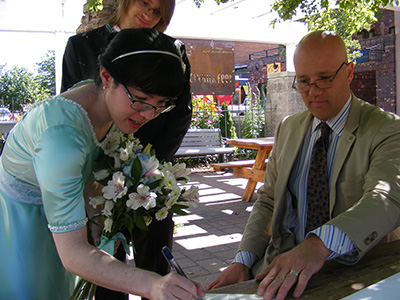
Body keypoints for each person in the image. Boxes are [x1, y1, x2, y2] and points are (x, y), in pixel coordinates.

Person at [0, 28, 204, 300]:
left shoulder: (99, 103)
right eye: (141, 101)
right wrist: (152, 285)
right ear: (107, 77)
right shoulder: (61, 138)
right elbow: (73, 253)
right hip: (25, 236)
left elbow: (87, 178)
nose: (149, 115)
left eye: (161, 105)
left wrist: (100, 219)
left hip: (65, 222)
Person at [207, 30, 400, 300]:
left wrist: (319, 245)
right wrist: (243, 260)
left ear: (349, 73)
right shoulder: (289, 128)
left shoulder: (387, 130)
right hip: (279, 271)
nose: (313, 91)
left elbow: (386, 199)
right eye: (304, 81)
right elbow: (269, 200)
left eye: (324, 78)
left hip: (352, 274)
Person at [61, 1, 192, 299]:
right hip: (100, 174)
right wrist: (103, 169)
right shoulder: (81, 45)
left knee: (156, 261)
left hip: (150, 172)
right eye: (145, 2)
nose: (150, 13)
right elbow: (72, 108)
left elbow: (180, 113)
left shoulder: (173, 49)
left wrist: (147, 168)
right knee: (107, 262)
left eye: (159, 11)